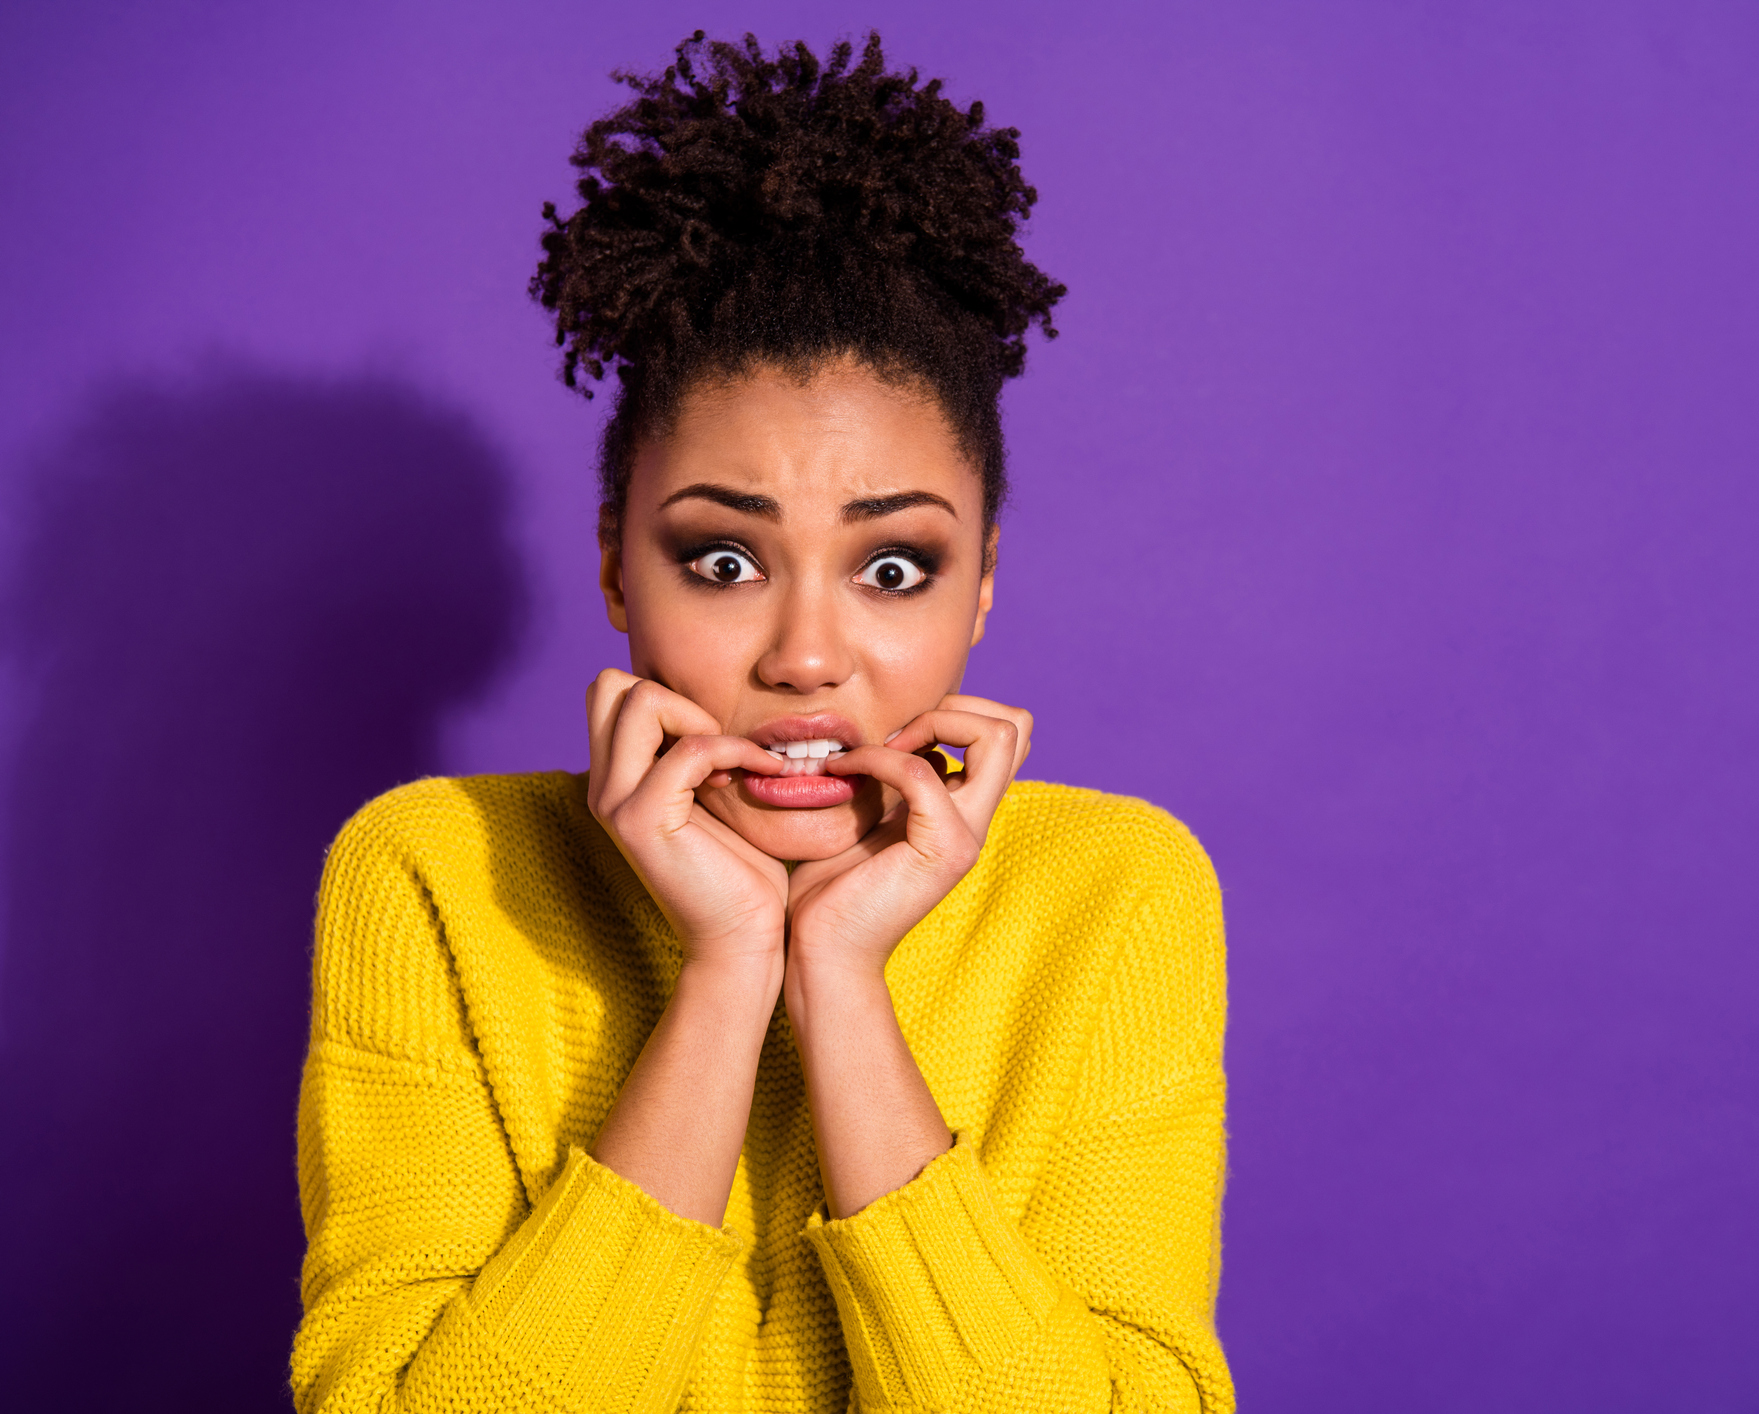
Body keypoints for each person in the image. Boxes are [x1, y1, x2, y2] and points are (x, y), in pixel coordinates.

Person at [290, 32, 1233, 1414]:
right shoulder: (434, 873)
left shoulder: (1114, 896)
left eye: (894, 567)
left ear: (981, 589)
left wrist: (841, 981)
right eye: (722, 561)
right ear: (615, 562)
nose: (804, 655)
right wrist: (728, 969)